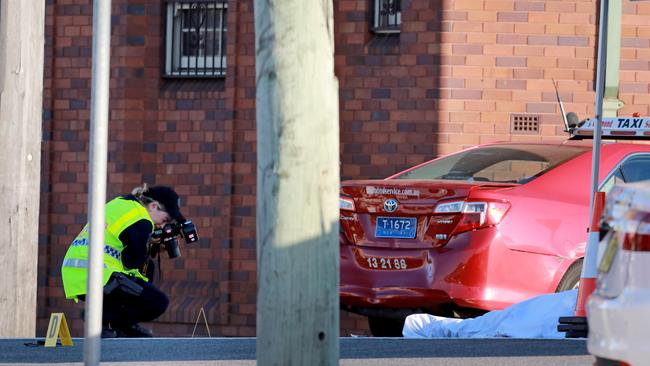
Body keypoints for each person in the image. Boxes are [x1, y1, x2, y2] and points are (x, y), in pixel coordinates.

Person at [61, 184, 187, 338]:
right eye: (165, 219)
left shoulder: (122, 203)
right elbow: (132, 263)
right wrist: (153, 246)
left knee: (148, 270)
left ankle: (117, 325)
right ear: (154, 206)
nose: (162, 225)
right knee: (158, 302)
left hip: (76, 274)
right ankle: (103, 318)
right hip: (100, 276)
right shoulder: (142, 219)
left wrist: (149, 244)